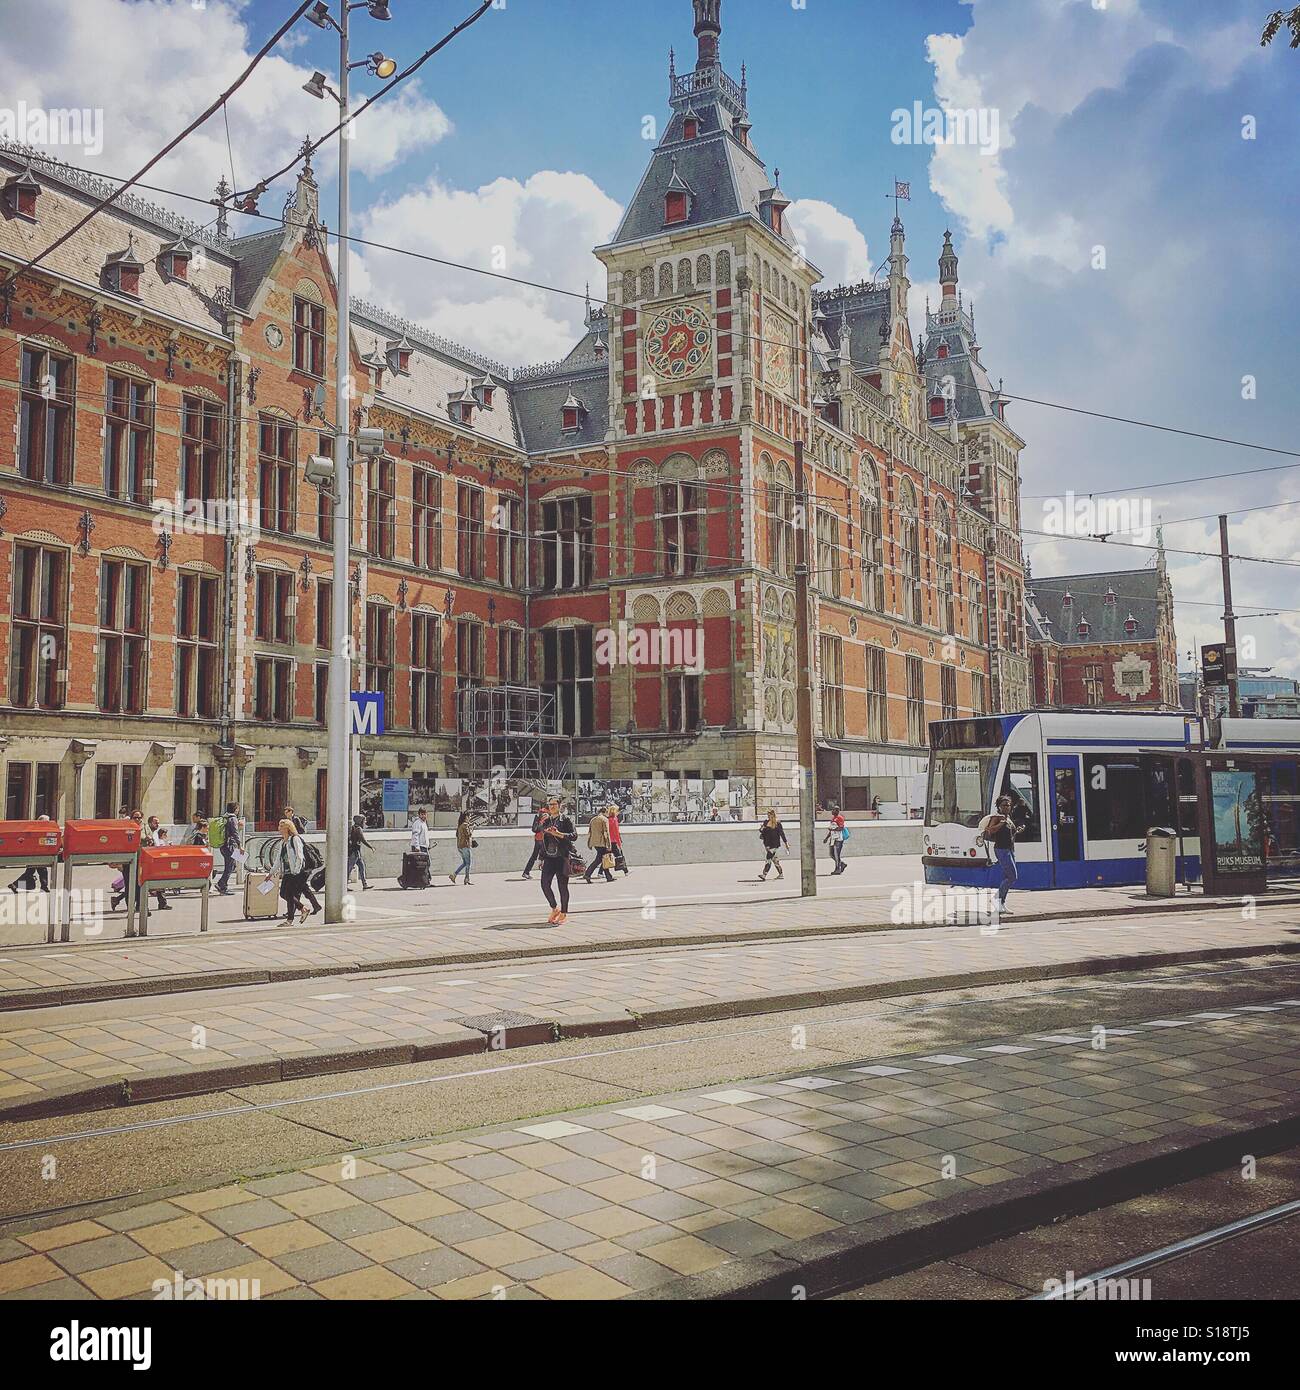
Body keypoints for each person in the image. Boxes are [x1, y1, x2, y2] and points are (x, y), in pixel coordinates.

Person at [538, 796, 577, 925]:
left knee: (562, 886)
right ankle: (555, 908)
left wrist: (559, 834)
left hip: (562, 857)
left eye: (554, 804)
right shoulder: (546, 821)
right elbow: (543, 841)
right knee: (544, 884)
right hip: (549, 857)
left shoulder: (565, 819)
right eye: (550, 805)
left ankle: (564, 913)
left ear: (559, 806)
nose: (552, 807)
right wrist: (541, 858)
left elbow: (574, 836)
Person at [984, 794, 1023, 914]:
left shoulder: (1008, 817)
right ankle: (997, 899)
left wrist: (1017, 831)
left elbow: (1009, 834)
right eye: (1004, 805)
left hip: (1010, 849)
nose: (1007, 807)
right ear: (999, 806)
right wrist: (1001, 823)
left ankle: (1001, 903)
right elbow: (990, 830)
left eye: (1009, 805)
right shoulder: (997, 817)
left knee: (1008, 876)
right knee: (1012, 876)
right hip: (1001, 849)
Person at [274, 818, 311, 924]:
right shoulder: (283, 842)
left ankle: (290, 920)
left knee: (289, 894)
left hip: (296, 872)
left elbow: (300, 856)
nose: (279, 828)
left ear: (287, 828)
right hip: (287, 872)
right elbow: (278, 859)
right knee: (284, 894)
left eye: (281, 826)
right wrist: (271, 873)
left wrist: (296, 870)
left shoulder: (295, 839)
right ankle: (303, 909)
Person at [7, 814, 53, 894]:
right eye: (47, 822)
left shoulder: (36, 828)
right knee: (41, 870)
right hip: (36, 854)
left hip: (35, 853)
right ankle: (44, 887)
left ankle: (15, 885)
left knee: (31, 871)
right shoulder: (38, 829)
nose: (48, 823)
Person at [215, 802, 243, 896]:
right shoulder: (233, 819)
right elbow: (235, 833)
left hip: (224, 845)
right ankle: (221, 885)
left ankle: (222, 885)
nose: (238, 811)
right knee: (230, 866)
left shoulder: (225, 817)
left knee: (232, 865)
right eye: (238, 809)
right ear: (235, 809)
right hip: (230, 845)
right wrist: (240, 845)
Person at [584, 807, 614, 884]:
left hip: (594, 842)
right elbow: (606, 833)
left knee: (602, 859)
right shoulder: (604, 820)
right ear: (605, 812)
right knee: (599, 860)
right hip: (602, 842)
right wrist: (609, 844)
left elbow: (590, 832)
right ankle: (587, 874)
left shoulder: (593, 819)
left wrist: (589, 843)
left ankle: (608, 876)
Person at [758, 809, 790, 880]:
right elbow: (762, 831)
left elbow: (782, 834)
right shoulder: (766, 822)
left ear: (773, 815)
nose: (768, 816)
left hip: (774, 845)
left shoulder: (777, 824)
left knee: (768, 859)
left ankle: (764, 874)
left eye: (769, 815)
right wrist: (761, 829)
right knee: (775, 860)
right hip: (767, 844)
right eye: (768, 815)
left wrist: (786, 843)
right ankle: (781, 874)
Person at [347, 815, 372, 891]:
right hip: (354, 852)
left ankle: (365, 884)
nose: (365, 822)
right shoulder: (358, 829)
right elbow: (363, 840)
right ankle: (344, 885)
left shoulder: (353, 827)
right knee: (349, 869)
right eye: (364, 821)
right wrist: (371, 847)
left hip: (356, 852)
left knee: (362, 866)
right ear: (360, 821)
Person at [449, 812, 474, 885]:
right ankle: (467, 879)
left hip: (460, 847)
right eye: (469, 816)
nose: (470, 818)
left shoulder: (460, 826)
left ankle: (454, 875)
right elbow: (468, 834)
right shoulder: (465, 825)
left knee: (465, 863)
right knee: (468, 864)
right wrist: (472, 828)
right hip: (465, 846)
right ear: (466, 817)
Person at [522, 806, 547, 879]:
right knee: (547, 856)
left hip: (538, 839)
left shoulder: (538, 816)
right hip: (542, 839)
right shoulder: (544, 816)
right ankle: (545, 874)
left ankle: (526, 872)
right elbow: (538, 829)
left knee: (534, 856)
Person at [823, 806, 847, 875]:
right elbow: (831, 830)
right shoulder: (833, 818)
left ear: (837, 811)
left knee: (837, 855)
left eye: (833, 810)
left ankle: (837, 869)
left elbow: (841, 828)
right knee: (831, 854)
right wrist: (827, 838)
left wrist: (833, 829)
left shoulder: (840, 818)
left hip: (838, 839)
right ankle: (842, 864)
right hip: (832, 838)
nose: (832, 811)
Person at [607, 804, 629, 876]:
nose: (619, 812)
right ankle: (626, 871)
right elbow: (616, 832)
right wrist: (619, 843)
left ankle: (600, 872)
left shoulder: (608, 820)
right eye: (618, 811)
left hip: (608, 841)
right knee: (619, 856)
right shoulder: (614, 820)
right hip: (614, 841)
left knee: (606, 856)